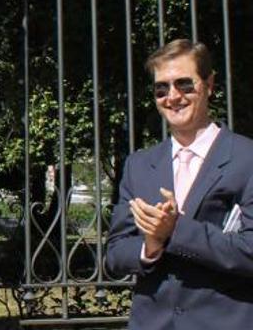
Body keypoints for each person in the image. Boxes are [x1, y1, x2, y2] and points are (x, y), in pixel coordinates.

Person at [106, 39, 253, 329]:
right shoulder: (138, 165)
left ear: (209, 84)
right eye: (162, 88)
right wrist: (150, 246)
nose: (172, 96)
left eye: (184, 84)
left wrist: (175, 230)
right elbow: (115, 254)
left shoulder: (247, 158)